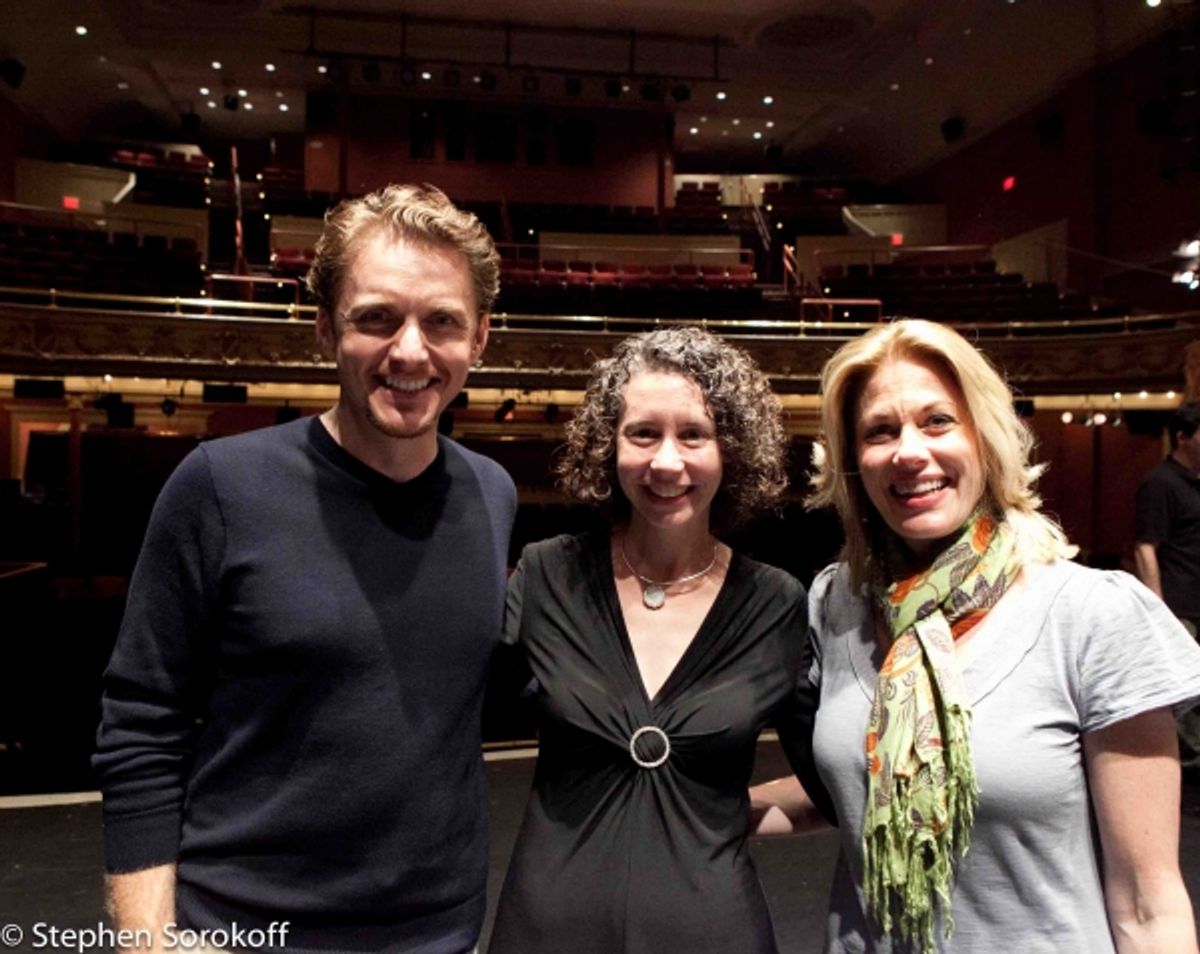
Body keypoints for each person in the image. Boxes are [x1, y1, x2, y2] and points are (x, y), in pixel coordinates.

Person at [93, 184, 516, 954]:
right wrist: (146, 942)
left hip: (440, 932)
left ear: (480, 337)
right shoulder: (219, 485)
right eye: (377, 318)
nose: (411, 352)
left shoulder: (492, 493)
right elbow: (142, 722)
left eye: (442, 321)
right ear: (325, 326)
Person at [754, 319, 1200, 953]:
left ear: (985, 439)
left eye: (938, 421)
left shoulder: (1092, 615)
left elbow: (1148, 905)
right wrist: (683, 808)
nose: (909, 452)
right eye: (880, 431)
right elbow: (857, 787)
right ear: (853, 463)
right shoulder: (839, 602)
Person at [486, 327, 824, 954]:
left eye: (694, 434)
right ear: (608, 445)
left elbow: (833, 784)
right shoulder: (547, 575)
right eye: (643, 433)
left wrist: (711, 813)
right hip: (547, 930)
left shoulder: (776, 604)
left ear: (731, 450)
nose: (667, 462)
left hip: (715, 934)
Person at [1135, 402, 1200, 637]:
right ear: (1182, 438)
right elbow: (1145, 547)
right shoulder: (1160, 482)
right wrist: (1158, 611)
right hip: (1179, 612)